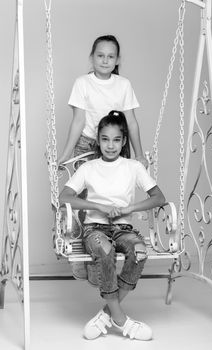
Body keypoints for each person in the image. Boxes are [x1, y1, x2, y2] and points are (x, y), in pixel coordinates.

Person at [59, 111, 166, 340]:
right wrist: (97, 205)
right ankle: (121, 320)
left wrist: (129, 209)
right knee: (104, 250)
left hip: (123, 230)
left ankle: (106, 315)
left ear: (124, 141)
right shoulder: (88, 168)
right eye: (105, 139)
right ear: (98, 140)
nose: (110, 145)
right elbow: (64, 197)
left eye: (116, 140)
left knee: (139, 252)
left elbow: (158, 198)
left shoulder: (132, 167)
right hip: (95, 229)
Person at [58, 34, 147, 167]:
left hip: (114, 143)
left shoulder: (124, 84)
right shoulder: (82, 83)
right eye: (100, 56)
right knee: (85, 185)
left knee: (114, 186)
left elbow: (131, 121)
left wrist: (139, 155)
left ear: (117, 60)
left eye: (110, 57)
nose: (105, 61)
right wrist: (65, 155)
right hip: (87, 144)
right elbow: (78, 121)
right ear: (92, 57)